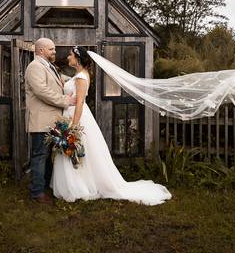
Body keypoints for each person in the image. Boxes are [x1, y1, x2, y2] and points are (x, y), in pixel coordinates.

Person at [51, 46, 172, 206]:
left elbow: (79, 102)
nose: (68, 58)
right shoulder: (78, 75)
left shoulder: (81, 77)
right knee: (75, 151)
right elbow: (71, 90)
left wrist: (74, 125)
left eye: (70, 55)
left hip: (76, 115)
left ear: (78, 59)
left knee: (77, 149)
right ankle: (74, 184)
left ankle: (78, 186)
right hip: (70, 113)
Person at [24, 38, 76, 205]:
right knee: (40, 156)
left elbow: (57, 83)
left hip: (52, 120)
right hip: (41, 119)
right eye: (51, 49)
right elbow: (42, 91)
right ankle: (37, 193)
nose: (54, 52)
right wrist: (65, 100)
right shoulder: (34, 67)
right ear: (41, 51)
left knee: (47, 157)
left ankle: (45, 186)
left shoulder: (49, 66)